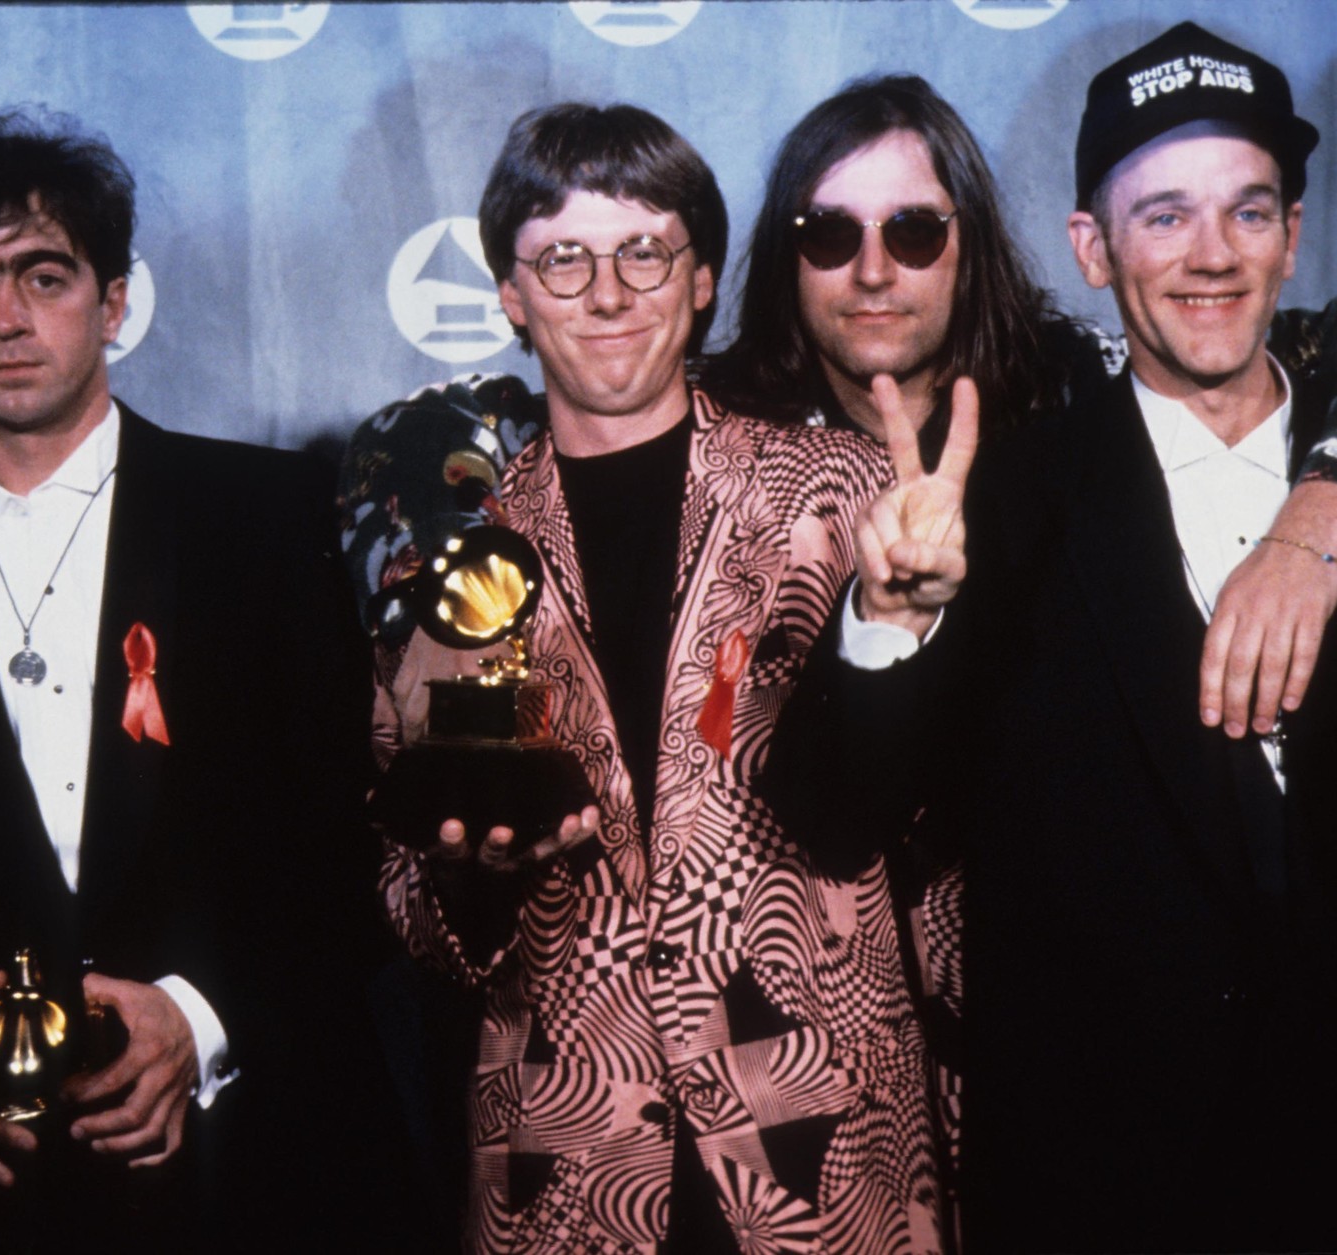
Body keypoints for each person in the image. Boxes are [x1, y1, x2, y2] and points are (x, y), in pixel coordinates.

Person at [766, 27, 1337, 1253]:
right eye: (1164, 216)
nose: (1212, 255)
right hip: (1104, 1186)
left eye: (1249, 211)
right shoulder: (1000, 498)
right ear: (1092, 250)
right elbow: (835, 807)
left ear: (1292, 235)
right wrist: (892, 615)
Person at [368, 103, 943, 1253]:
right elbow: (410, 904)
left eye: (644, 251)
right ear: (511, 296)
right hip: (568, 1171)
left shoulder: (844, 494)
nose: (607, 293)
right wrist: (475, 874)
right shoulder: (451, 570)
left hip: (827, 1145)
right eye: (563, 260)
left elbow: (932, 833)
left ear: (702, 281)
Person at [0, 108, 407, 1253]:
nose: (6, 317)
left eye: (43, 275)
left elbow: (356, 838)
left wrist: (203, 1019)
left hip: (252, 1169)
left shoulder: (264, 519)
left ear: (113, 302)